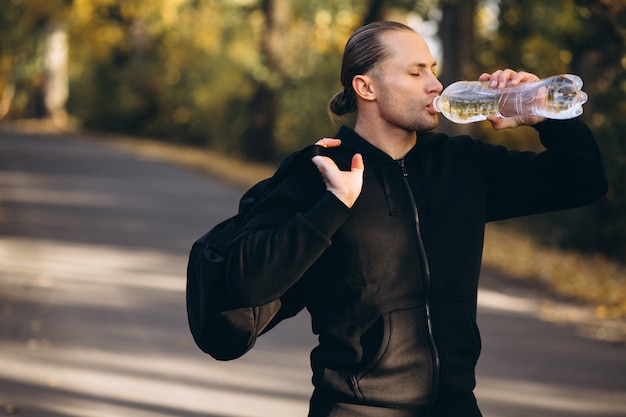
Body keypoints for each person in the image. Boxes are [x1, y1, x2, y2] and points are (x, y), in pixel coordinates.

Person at [223, 21, 607, 417]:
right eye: (415, 72)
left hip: (456, 405)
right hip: (355, 407)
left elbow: (583, 183)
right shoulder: (320, 170)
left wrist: (541, 113)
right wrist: (333, 206)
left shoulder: (463, 165)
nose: (436, 85)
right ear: (366, 88)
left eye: (433, 69)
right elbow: (244, 280)